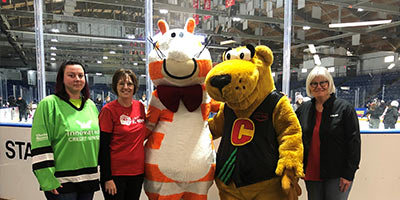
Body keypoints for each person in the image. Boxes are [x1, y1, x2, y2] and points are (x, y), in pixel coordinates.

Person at [31, 60, 100, 200]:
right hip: (61, 182)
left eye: (80, 75)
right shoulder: (49, 104)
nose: (77, 79)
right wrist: (47, 179)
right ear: (62, 78)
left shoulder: (90, 105)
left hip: (88, 179)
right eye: (71, 75)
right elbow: (40, 143)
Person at [295, 66, 361, 200]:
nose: (318, 86)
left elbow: (354, 143)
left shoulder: (345, 108)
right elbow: (296, 138)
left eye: (323, 82)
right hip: (312, 173)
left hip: (337, 174)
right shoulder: (303, 109)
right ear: (309, 86)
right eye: (314, 83)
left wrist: (348, 174)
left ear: (329, 83)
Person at [98, 69, 146, 200]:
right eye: (121, 84)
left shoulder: (140, 107)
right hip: (115, 174)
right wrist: (107, 177)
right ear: (115, 86)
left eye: (129, 84)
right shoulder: (108, 110)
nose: (126, 87)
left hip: (137, 173)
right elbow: (103, 146)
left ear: (135, 87)